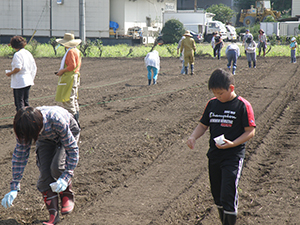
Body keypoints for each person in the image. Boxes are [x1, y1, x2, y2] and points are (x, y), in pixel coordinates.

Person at [186, 68, 256, 225]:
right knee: (217, 195)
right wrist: (193, 137)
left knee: (228, 193)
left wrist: (233, 143)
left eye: (220, 93)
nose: (217, 96)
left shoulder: (242, 106)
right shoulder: (212, 104)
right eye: (215, 93)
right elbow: (203, 126)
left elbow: (250, 132)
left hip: (233, 156)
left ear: (231, 88)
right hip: (214, 155)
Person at [1, 106, 80, 225]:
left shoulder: (56, 120)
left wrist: (65, 177)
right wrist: (14, 186)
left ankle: (67, 194)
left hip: (67, 130)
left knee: (57, 166)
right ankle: (53, 215)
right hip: (45, 139)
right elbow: (20, 156)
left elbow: (72, 150)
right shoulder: (25, 127)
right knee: (44, 175)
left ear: (37, 128)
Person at [55, 33, 82, 126]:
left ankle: (73, 124)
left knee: (68, 100)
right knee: (73, 99)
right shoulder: (76, 51)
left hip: (69, 77)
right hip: (75, 76)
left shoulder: (70, 52)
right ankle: (76, 122)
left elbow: (72, 66)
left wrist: (62, 71)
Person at [5, 36, 37, 112]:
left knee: (19, 103)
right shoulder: (28, 53)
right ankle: (29, 119)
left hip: (20, 82)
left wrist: (10, 73)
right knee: (26, 102)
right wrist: (31, 78)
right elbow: (34, 67)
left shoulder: (17, 54)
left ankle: (22, 120)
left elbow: (18, 68)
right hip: (28, 80)